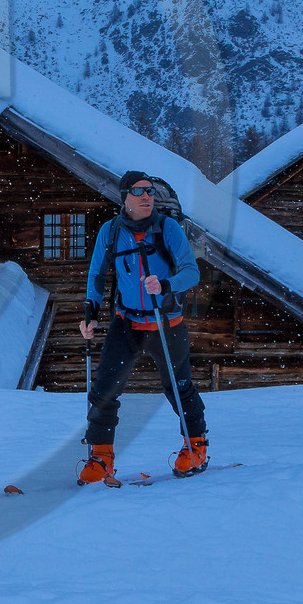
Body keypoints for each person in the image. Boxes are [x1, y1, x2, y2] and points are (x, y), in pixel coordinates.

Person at [75, 171, 208, 483]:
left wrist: (165, 285)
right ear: (125, 198)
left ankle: (196, 447)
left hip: (166, 323)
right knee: (105, 389)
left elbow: (192, 272)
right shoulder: (110, 231)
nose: (147, 196)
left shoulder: (168, 228)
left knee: (178, 387)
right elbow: (97, 274)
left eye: (149, 191)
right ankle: (101, 458)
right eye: (139, 191)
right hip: (127, 323)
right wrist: (90, 311)